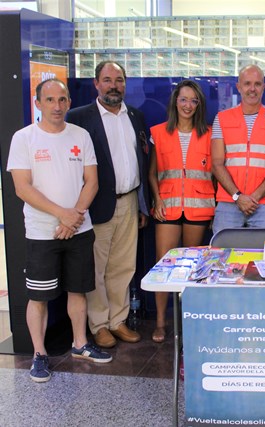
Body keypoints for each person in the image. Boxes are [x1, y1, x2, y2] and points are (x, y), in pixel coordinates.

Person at [7, 79, 112, 383]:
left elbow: (91, 181)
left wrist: (74, 217)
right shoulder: (24, 138)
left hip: (79, 230)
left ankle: (80, 343)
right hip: (42, 234)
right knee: (38, 297)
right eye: (50, 100)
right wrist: (62, 216)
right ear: (38, 103)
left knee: (78, 290)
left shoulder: (80, 135)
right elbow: (22, 188)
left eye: (62, 99)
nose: (57, 106)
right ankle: (39, 354)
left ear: (68, 102)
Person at [66, 61, 149, 348]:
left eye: (119, 80)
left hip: (129, 203)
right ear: (96, 84)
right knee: (97, 268)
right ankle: (99, 324)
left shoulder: (135, 116)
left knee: (123, 267)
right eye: (108, 79)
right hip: (96, 205)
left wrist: (141, 205)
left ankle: (118, 321)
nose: (114, 85)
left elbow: (141, 162)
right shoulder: (79, 118)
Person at [148, 80, 215, 343]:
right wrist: (157, 199)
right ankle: (161, 322)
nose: (188, 105)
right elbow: (152, 172)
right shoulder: (159, 132)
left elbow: (216, 172)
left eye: (193, 100)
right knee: (163, 266)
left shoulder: (210, 134)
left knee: (192, 270)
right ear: (175, 101)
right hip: (169, 206)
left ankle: (189, 319)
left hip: (199, 209)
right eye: (183, 99)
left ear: (199, 105)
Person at [211, 64, 265, 234]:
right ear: (239, 87)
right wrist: (238, 197)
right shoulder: (222, 119)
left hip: (263, 204)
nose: (252, 89)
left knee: (264, 258)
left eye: (257, 84)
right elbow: (216, 164)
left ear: (264, 87)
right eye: (247, 83)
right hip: (229, 202)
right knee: (222, 256)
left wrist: (254, 198)